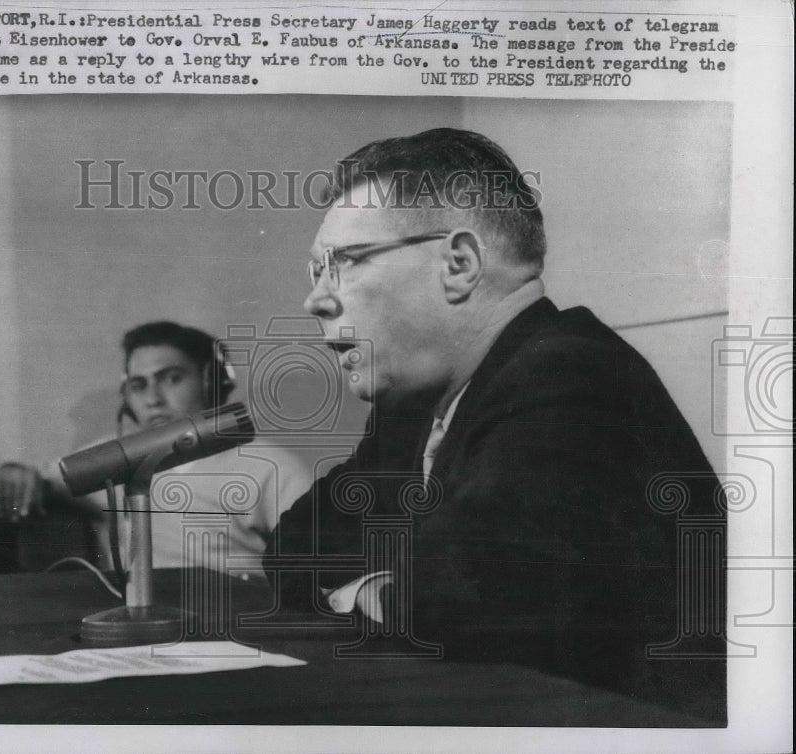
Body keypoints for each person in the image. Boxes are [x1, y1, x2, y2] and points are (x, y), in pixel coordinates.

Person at [266, 128, 726, 722]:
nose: (316, 301)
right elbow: (294, 549)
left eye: (344, 262)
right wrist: (387, 588)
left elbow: (459, 599)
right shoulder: (412, 408)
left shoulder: (573, 375)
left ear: (459, 265)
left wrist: (376, 586)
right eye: (316, 271)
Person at [0, 321, 311, 581]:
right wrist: (14, 474)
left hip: (230, 620)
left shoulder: (272, 467)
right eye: (139, 385)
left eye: (171, 379)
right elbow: (33, 477)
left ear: (210, 380)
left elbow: (318, 564)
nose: (153, 399)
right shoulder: (110, 458)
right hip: (136, 622)